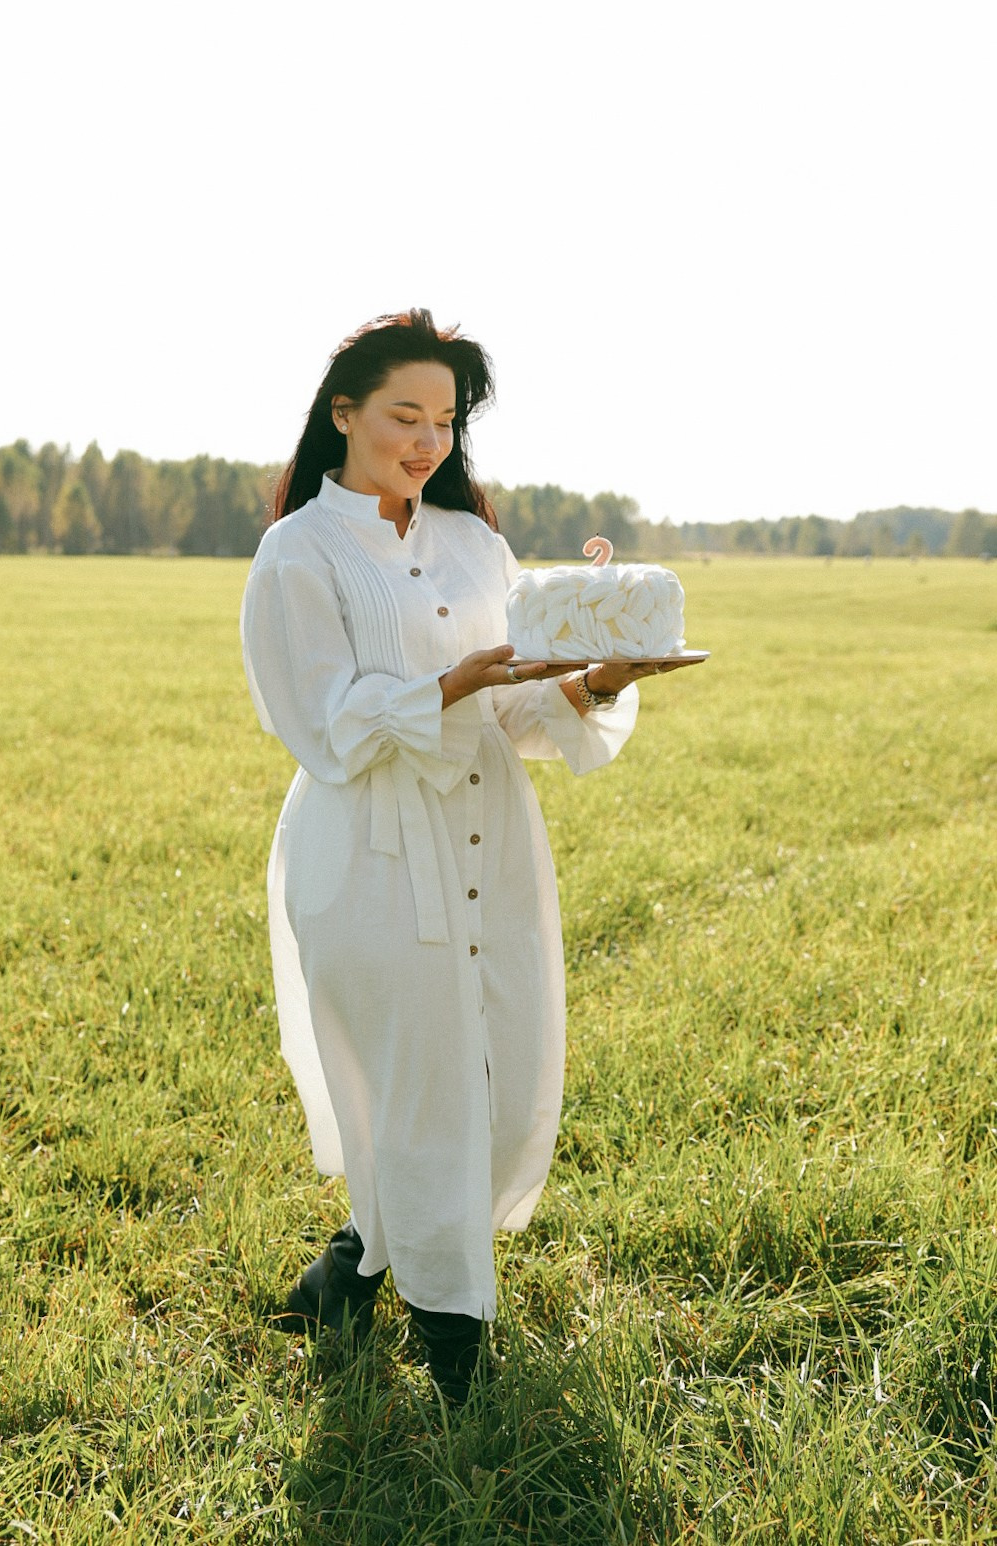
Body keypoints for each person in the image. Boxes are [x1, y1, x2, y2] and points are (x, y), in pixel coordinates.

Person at [240, 310, 694, 1401]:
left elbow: (523, 708)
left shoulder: (472, 542)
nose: (426, 439)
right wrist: (445, 688)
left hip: (493, 837)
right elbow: (320, 721)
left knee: (500, 1074)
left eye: (444, 419)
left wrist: (599, 682)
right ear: (342, 412)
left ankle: (347, 1272)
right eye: (404, 413)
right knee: (421, 1089)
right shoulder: (297, 553)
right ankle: (457, 1353)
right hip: (372, 853)